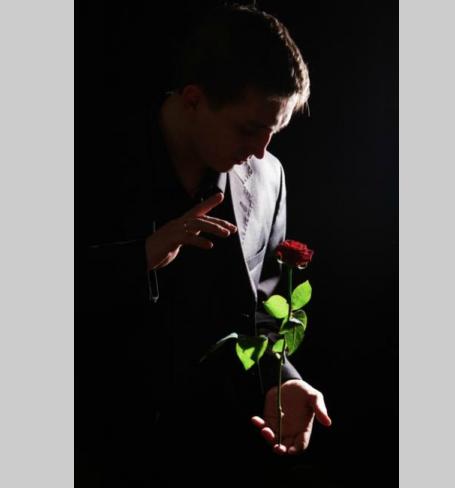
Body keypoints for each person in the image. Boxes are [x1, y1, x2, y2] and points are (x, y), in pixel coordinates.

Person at [77, 4, 331, 486]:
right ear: (193, 99)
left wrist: (284, 379)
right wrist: (141, 256)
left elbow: (261, 311)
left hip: (214, 455)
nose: (261, 150)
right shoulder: (86, 152)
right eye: (249, 128)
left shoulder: (269, 176)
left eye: (275, 130)